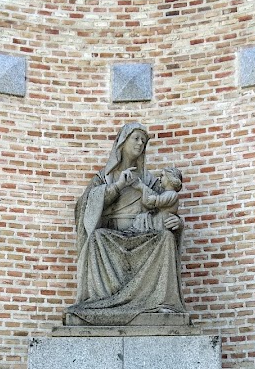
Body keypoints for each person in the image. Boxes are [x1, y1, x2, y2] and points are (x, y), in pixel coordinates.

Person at [66, 123, 188, 326]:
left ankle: (160, 301)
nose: (140, 143)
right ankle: (102, 300)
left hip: (144, 233)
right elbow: (84, 206)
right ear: (123, 142)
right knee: (97, 238)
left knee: (166, 238)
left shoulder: (149, 180)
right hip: (113, 234)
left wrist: (179, 223)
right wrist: (117, 186)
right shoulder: (104, 176)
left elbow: (164, 205)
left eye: (144, 140)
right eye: (136, 138)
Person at [133, 166, 183, 234]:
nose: (159, 178)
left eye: (162, 176)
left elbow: (163, 200)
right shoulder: (167, 193)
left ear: (170, 178)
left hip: (163, 220)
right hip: (159, 217)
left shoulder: (171, 193)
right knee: (142, 218)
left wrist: (155, 200)